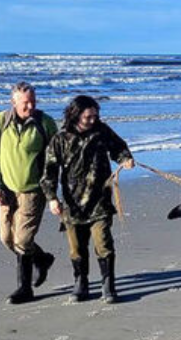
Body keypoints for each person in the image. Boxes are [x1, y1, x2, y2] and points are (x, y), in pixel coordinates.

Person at [42, 95, 135, 304]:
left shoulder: (102, 132)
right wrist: (52, 198)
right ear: (76, 115)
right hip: (72, 204)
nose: (93, 120)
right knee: (76, 248)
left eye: (96, 115)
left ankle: (108, 286)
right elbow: (49, 171)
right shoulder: (60, 139)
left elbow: (119, 147)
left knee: (103, 243)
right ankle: (81, 283)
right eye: (88, 117)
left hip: (100, 200)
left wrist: (125, 159)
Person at [0, 81, 59, 304]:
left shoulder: (45, 123)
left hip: (33, 191)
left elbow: (55, 159)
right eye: (25, 103)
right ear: (13, 102)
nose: (30, 106)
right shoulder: (0, 122)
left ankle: (24, 289)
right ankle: (42, 259)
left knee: (23, 240)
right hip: (6, 192)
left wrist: (52, 191)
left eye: (33, 102)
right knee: (7, 239)